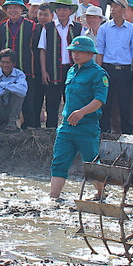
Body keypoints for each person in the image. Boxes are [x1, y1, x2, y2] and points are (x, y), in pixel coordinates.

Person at [49, 36, 108, 201]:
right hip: (67, 125)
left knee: (91, 163)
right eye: (73, 51)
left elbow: (99, 100)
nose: (75, 55)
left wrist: (82, 112)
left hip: (87, 126)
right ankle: (53, 198)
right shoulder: (71, 70)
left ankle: (101, 194)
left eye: (80, 51)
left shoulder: (98, 73)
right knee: (59, 162)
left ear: (90, 53)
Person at [96, 0, 133, 134]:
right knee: (105, 103)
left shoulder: (131, 29)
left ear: (123, 9)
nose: (112, 9)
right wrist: (99, 70)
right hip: (107, 69)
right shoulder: (104, 28)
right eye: (111, 7)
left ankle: (127, 135)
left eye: (116, 7)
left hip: (124, 70)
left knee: (124, 105)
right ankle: (104, 133)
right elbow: (100, 50)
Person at [38, 0, 83, 128]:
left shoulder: (78, 28)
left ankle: (71, 130)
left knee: (72, 103)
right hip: (52, 70)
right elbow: (42, 50)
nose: (62, 12)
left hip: (72, 71)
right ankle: (50, 132)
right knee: (52, 104)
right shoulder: (47, 27)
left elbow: (83, 50)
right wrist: (43, 71)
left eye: (64, 9)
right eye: (59, 9)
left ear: (70, 11)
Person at [0, 0, 38, 128]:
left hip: (26, 69)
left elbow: (36, 48)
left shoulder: (32, 26)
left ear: (21, 9)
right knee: (6, 100)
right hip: (7, 71)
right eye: (10, 8)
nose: (12, 10)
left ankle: (29, 129)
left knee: (28, 101)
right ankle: (5, 126)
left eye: (15, 7)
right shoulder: (1, 27)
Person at [0, 48, 28, 132]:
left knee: (18, 95)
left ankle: (12, 122)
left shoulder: (19, 74)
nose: (5, 65)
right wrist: (11, 88)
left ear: (13, 63)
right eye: (3, 62)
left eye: (8, 62)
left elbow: (23, 91)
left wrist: (3, 84)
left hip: (11, 109)